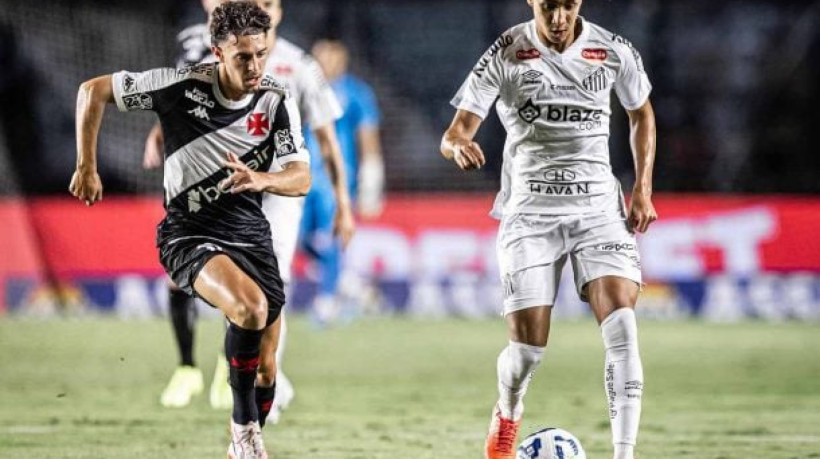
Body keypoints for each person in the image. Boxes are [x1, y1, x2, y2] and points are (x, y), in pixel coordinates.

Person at [71, 3, 308, 457]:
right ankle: (244, 435)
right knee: (250, 307)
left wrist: (263, 179)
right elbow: (92, 91)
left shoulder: (277, 99)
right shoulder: (178, 86)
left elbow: (301, 176)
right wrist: (86, 166)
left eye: (261, 53)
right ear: (217, 53)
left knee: (266, 368)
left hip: (250, 234)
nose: (255, 66)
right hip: (189, 233)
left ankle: (245, 433)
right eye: (243, 57)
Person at [440, 1, 657, 459]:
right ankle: (507, 412)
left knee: (623, 327)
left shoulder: (613, 51)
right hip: (530, 215)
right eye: (548, 6)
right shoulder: (507, 51)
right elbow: (455, 131)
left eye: (568, 5)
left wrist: (642, 188)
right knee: (526, 354)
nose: (558, 17)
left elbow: (642, 113)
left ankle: (624, 454)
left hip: (598, 208)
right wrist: (458, 146)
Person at [146, 0, 353, 423]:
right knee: (225, 284)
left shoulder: (300, 67)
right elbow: (182, 94)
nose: (264, 9)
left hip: (278, 189)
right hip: (223, 186)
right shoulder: (215, 55)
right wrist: (157, 131)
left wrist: (344, 205)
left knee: (271, 281)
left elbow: (328, 142)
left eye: (270, 4)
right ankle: (226, 371)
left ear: (280, 11)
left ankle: (263, 377)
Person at [303, 39, 384, 322]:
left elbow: (368, 137)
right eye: (320, 57)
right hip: (302, 174)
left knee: (331, 238)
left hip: (338, 177)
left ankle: (326, 301)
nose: (325, 63)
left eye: (331, 57)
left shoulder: (356, 93)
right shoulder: (303, 87)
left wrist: (371, 179)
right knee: (302, 239)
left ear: (343, 59)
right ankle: (348, 281)